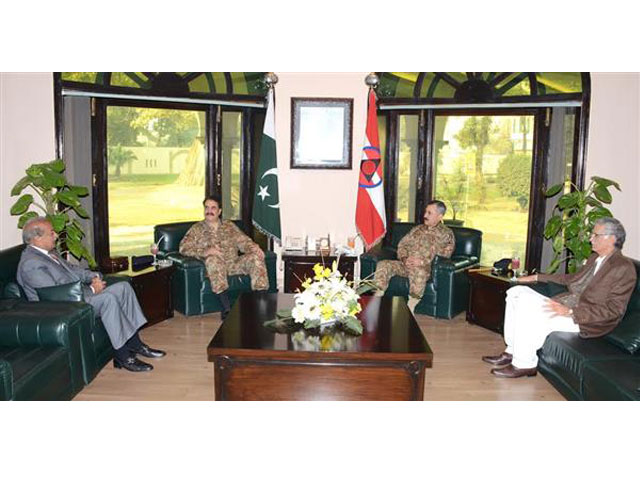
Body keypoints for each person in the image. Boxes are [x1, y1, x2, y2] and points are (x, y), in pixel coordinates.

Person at [483, 217, 637, 378]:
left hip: (586, 320)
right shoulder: (595, 259)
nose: (591, 238)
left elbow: (614, 310)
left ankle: (524, 364)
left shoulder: (623, 268)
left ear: (611, 238)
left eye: (595, 235)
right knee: (516, 293)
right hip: (567, 304)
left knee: (529, 310)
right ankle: (511, 351)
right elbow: (571, 279)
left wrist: (571, 312)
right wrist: (536, 277)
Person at [17, 217, 166, 373]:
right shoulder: (31, 264)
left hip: (76, 295)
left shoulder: (49, 253)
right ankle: (122, 356)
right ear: (37, 238)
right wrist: (93, 290)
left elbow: (73, 270)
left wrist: (93, 276)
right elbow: (53, 295)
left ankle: (135, 343)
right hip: (61, 308)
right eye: (51, 233)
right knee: (108, 299)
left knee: (123, 287)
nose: (55, 236)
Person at [179, 195, 268, 318]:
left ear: (219, 211)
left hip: (234, 264)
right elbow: (183, 248)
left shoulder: (229, 226)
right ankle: (226, 308)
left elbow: (243, 241)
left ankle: (261, 302)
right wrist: (205, 251)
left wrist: (254, 248)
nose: (209, 211)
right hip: (214, 268)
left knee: (255, 257)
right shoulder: (196, 229)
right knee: (213, 259)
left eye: (213, 208)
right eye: (206, 207)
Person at [374, 200, 455, 309]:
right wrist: (404, 258)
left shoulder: (446, 234)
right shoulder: (417, 229)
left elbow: (445, 254)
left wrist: (422, 261)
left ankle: (411, 306)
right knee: (384, 264)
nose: (425, 215)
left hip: (424, 268)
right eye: (425, 212)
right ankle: (377, 298)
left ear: (440, 216)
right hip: (405, 265)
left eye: (429, 213)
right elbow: (402, 245)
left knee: (419, 272)